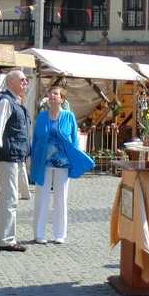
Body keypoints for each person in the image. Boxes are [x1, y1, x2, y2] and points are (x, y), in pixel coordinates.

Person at [29, 86, 94, 244]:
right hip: (44, 162)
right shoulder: (42, 116)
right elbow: (36, 140)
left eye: (55, 94)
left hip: (63, 162)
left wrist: (75, 160)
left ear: (62, 99)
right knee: (41, 198)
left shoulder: (69, 116)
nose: (52, 96)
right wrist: (32, 160)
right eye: (50, 93)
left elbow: (74, 141)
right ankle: (39, 233)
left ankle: (60, 234)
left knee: (61, 198)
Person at [0, 69, 31, 252]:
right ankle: (8, 240)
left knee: (5, 197)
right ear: (10, 82)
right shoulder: (6, 102)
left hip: (14, 155)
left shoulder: (15, 101)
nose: (25, 83)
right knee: (10, 198)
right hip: (8, 155)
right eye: (22, 80)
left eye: (26, 80)